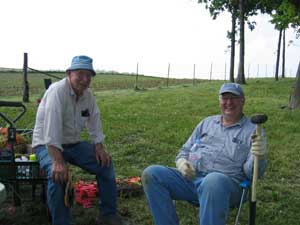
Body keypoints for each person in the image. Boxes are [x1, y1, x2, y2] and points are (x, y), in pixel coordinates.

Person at [141, 83, 267, 225]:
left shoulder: (253, 131)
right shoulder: (206, 123)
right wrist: (182, 162)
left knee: (213, 181)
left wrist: (260, 157)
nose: (229, 103)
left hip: (227, 186)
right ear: (219, 101)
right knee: (151, 173)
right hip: (193, 179)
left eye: (234, 98)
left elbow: (254, 174)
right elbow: (185, 150)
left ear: (243, 100)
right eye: (225, 98)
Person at [32, 55, 123, 225]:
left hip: (72, 143)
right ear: (69, 74)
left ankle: (108, 215)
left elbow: (94, 121)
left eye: (89, 75)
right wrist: (57, 161)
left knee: (105, 164)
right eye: (80, 74)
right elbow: (51, 131)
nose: (85, 79)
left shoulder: (88, 96)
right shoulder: (57, 91)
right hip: (46, 144)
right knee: (58, 176)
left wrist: (99, 147)